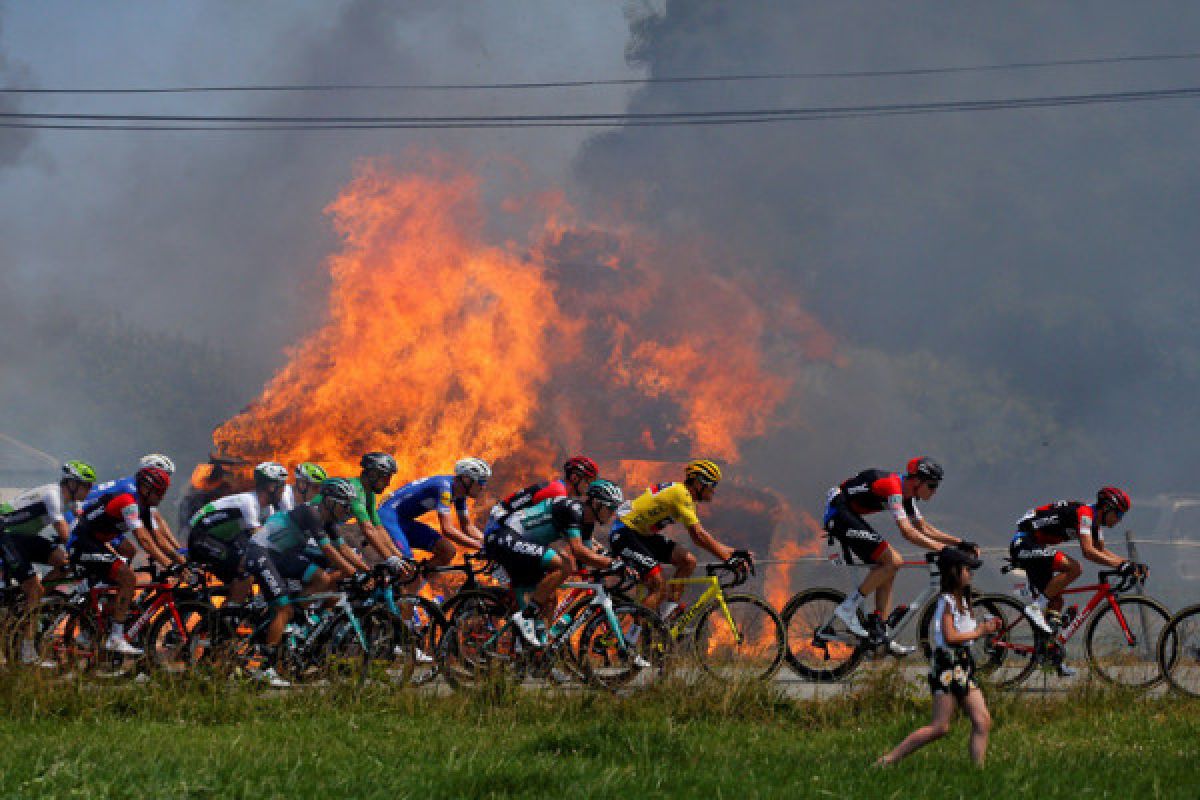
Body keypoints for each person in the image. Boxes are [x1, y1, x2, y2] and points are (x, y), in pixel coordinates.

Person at [823, 457, 970, 655]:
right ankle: (848, 608)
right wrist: (943, 550)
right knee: (893, 561)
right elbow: (907, 532)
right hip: (839, 513)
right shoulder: (893, 488)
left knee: (890, 566)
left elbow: (923, 527)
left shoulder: (908, 495)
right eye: (932, 485)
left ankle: (881, 632)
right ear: (917, 481)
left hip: (848, 514)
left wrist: (960, 543)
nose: (934, 491)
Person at [244, 478, 370, 687]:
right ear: (330, 501)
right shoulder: (311, 513)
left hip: (282, 554)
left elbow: (344, 550)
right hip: (261, 552)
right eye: (344, 505)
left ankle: (295, 617)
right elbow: (329, 550)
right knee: (284, 608)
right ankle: (265, 668)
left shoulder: (329, 521)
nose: (347, 511)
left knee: (322, 578)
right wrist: (353, 573)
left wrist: (368, 571)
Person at [878, 546, 997, 767]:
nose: (971, 573)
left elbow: (964, 635)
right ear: (954, 572)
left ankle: (978, 771)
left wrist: (985, 630)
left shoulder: (964, 600)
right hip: (947, 665)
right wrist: (980, 632)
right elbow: (951, 636)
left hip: (963, 663)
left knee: (982, 720)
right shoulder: (947, 601)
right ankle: (889, 760)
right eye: (967, 569)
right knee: (940, 727)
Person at [1010, 486, 1142, 675]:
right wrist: (1121, 566)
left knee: (1056, 601)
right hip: (1024, 542)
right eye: (1119, 514)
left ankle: (1050, 656)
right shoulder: (1086, 514)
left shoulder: (1095, 522)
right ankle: (1035, 608)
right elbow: (1088, 552)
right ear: (1106, 508)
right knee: (1074, 568)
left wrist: (1131, 564)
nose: (1119, 520)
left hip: (1036, 545)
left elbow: (1102, 552)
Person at [484, 479, 631, 647]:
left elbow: (590, 553)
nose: (613, 514)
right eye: (610, 508)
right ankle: (526, 617)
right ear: (597, 504)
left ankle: (540, 648)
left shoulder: (587, 522)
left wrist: (620, 562)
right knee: (564, 565)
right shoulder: (573, 509)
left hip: (520, 544)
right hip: (505, 537)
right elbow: (579, 551)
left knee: (550, 598)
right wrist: (611, 564)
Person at [607, 459, 751, 619]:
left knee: (688, 561)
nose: (713, 491)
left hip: (642, 535)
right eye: (712, 485)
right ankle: (633, 638)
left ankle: (666, 615)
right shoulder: (681, 494)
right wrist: (727, 558)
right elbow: (700, 535)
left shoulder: (683, 495)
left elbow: (698, 538)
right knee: (658, 586)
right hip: (625, 534)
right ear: (698, 483)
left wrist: (734, 553)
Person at [0, 460, 96, 663]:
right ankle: (26, 650)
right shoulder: (52, 494)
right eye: (86, 486)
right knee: (34, 590)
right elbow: (65, 533)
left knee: (65, 562)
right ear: (72, 484)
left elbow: (81, 528)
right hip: (5, 534)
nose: (89, 491)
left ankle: (33, 602)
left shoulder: (70, 501)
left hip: (22, 538)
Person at [69, 466, 172, 655]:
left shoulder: (144, 506)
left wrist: (179, 560)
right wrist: (169, 564)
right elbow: (144, 540)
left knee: (128, 552)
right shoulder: (129, 501)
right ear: (146, 489)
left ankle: (97, 618)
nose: (162, 498)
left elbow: (158, 539)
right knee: (128, 578)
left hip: (96, 539)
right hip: (82, 542)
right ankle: (115, 637)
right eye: (159, 493)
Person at [187, 462, 288, 603]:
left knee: (243, 576)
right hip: (201, 538)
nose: (284, 491)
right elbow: (259, 536)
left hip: (221, 540)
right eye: (282, 486)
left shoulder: (267, 509)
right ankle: (229, 616)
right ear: (271, 487)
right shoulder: (248, 502)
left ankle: (230, 607)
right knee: (247, 567)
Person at [377, 457, 489, 570]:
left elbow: (467, 526)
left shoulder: (459, 493)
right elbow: (447, 530)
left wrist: (489, 543)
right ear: (466, 479)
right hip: (388, 518)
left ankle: (414, 584)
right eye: (481, 482)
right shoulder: (444, 488)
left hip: (403, 521)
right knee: (406, 566)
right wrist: (480, 546)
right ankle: (405, 582)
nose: (483, 487)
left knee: (447, 551)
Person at [315, 452, 405, 568]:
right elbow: (368, 530)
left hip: (326, 529)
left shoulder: (369, 494)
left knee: (354, 560)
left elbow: (378, 528)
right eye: (386, 478)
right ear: (373, 474)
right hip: (308, 528)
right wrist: (390, 558)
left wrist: (399, 556)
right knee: (346, 563)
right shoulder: (355, 491)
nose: (388, 483)